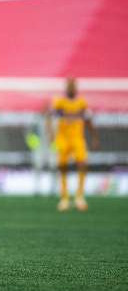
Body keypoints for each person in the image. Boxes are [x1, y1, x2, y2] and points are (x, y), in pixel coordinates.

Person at [46, 78, 98, 212]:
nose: (71, 89)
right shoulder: (59, 103)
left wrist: (94, 137)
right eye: (69, 86)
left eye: (73, 86)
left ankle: (79, 196)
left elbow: (88, 120)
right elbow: (49, 117)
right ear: (66, 88)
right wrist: (51, 134)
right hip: (62, 138)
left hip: (77, 138)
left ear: (76, 88)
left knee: (82, 164)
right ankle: (64, 198)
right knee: (62, 167)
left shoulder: (82, 103)